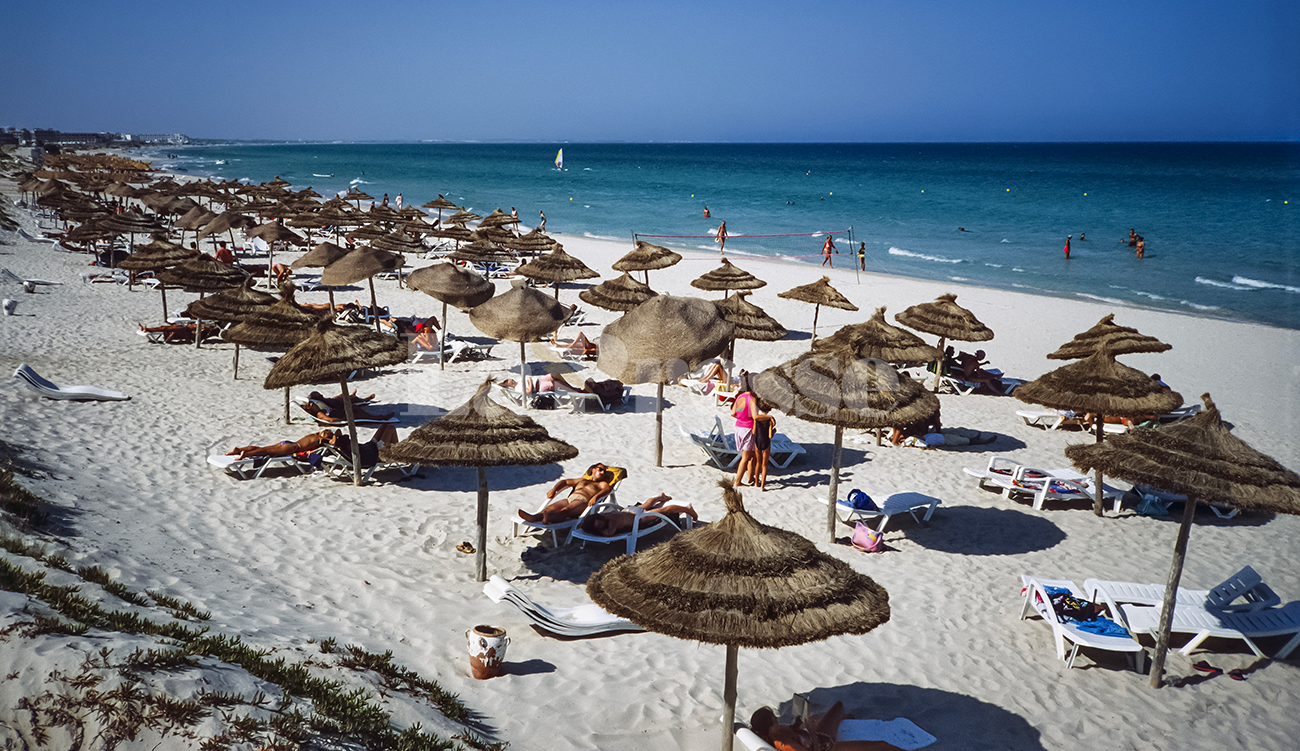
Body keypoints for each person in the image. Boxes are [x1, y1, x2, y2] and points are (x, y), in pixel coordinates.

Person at [750, 702, 897, 751]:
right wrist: (812, 731)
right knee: (881, 745)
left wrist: (797, 724)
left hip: (820, 734)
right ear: (771, 728)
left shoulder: (774, 732)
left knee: (838, 707)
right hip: (829, 747)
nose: (777, 719)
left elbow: (793, 730)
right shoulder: (786, 745)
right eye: (775, 719)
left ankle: (843, 718)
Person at [517, 463, 617, 525]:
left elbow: (607, 489)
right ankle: (534, 517)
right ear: (593, 469)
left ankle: (549, 519)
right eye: (600, 469)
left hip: (582, 501)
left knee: (565, 510)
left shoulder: (601, 484)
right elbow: (565, 482)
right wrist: (554, 489)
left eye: (604, 471)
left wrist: (595, 497)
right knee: (549, 508)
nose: (603, 472)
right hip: (569, 499)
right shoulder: (582, 480)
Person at [578, 493, 699, 537]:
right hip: (637, 517)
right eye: (599, 526)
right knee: (662, 509)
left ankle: (662, 498)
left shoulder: (606, 521)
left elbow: (595, 526)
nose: (601, 524)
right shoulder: (608, 526)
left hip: (632, 513)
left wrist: (584, 526)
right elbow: (608, 534)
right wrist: (584, 526)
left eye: (599, 523)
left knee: (650, 504)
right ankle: (686, 509)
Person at [731, 372, 760, 486]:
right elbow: (755, 416)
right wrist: (768, 417)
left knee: (751, 455)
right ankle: (737, 482)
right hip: (748, 429)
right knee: (745, 457)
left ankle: (750, 478)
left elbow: (733, 413)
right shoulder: (752, 399)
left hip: (738, 427)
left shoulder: (740, 397)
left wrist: (742, 417)